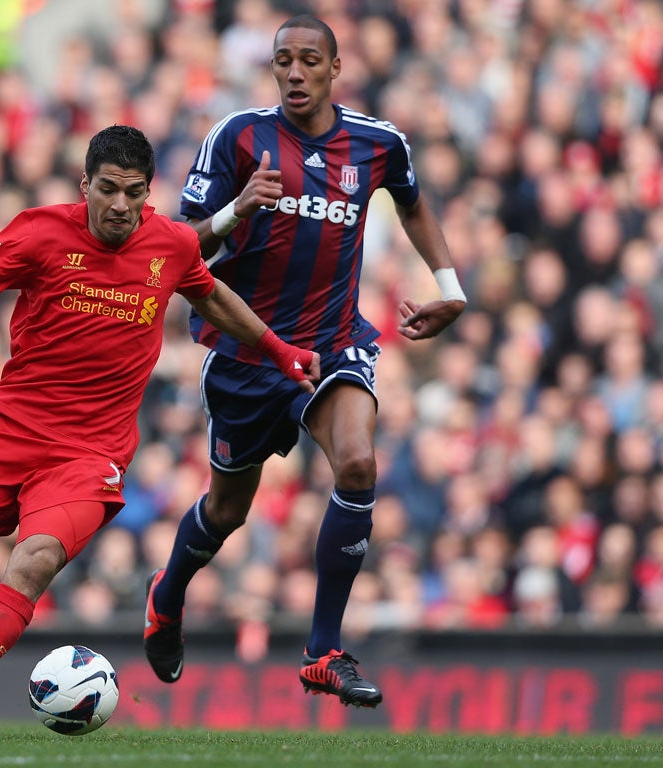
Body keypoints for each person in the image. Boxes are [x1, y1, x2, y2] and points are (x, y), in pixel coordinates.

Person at [0, 125, 320, 738]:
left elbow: (211, 296)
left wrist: (276, 348)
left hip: (90, 453)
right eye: (108, 190)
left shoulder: (170, 244)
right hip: (8, 430)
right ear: (85, 186)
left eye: (134, 193)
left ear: (147, 192)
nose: (120, 206)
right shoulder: (39, 231)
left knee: (35, 561)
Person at [143, 14, 466, 708]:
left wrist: (450, 287)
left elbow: (412, 202)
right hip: (247, 350)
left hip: (332, 343)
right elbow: (178, 247)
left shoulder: (379, 144)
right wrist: (235, 211)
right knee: (227, 512)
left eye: (308, 60)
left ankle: (322, 651)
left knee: (357, 462)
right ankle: (166, 599)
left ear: (334, 68)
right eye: (283, 60)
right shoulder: (238, 136)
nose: (294, 72)